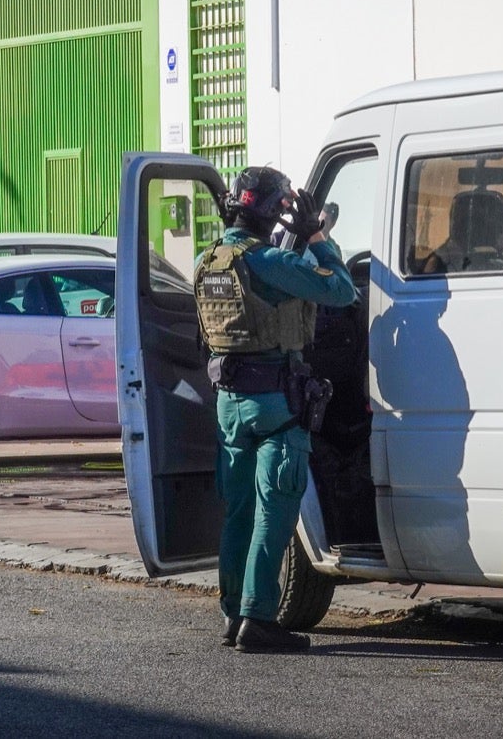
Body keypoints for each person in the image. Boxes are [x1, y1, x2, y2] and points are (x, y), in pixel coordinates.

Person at [197, 166, 356, 654]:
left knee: (238, 512)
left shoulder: (210, 261)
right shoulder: (268, 260)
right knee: (275, 511)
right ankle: (258, 619)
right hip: (276, 404)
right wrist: (316, 237)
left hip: (229, 403)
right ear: (271, 213)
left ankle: (232, 614)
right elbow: (341, 290)